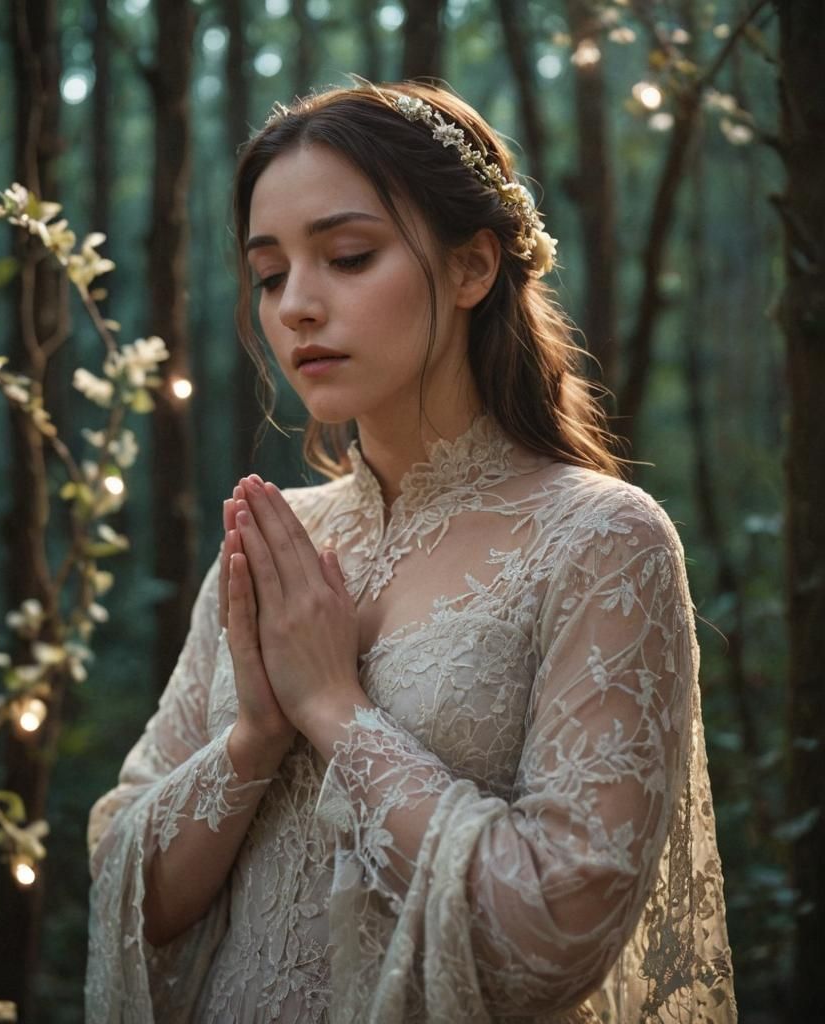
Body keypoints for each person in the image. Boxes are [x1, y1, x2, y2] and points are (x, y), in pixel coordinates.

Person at [85, 81, 735, 1023]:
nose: (298, 306)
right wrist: (257, 736)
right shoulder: (272, 540)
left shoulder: (601, 542)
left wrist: (333, 710)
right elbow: (123, 873)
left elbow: (553, 932)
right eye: (270, 275)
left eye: (348, 256)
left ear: (472, 267)